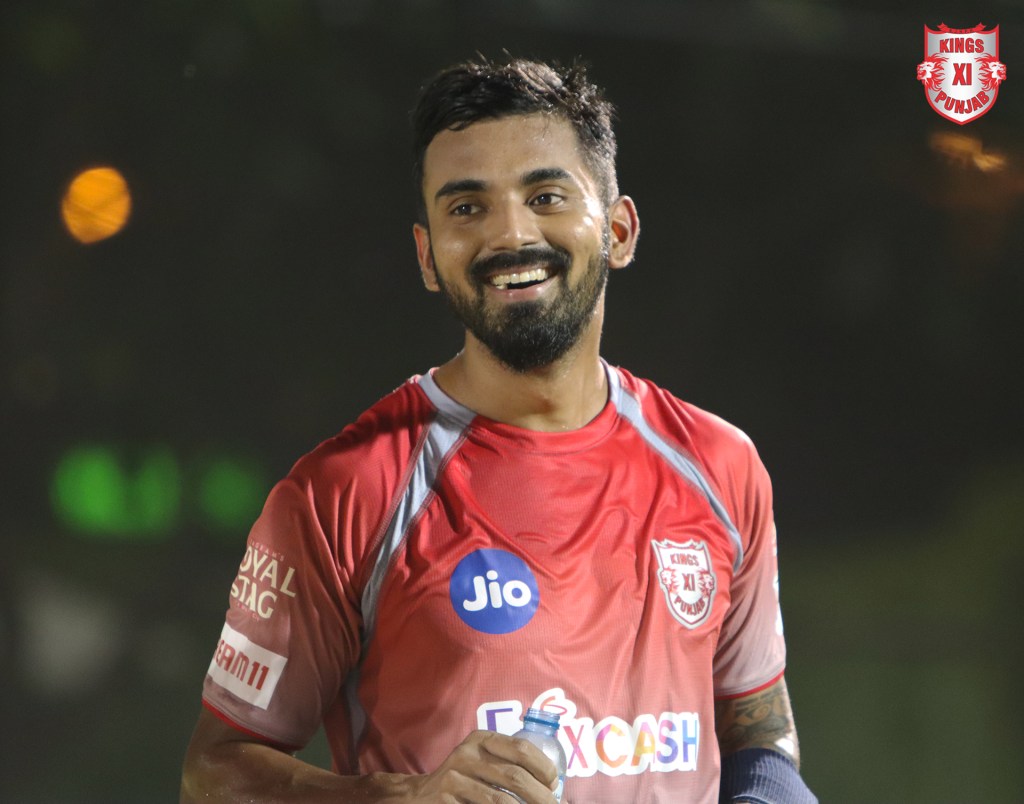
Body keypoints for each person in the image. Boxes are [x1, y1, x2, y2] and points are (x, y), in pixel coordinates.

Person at [180, 56, 817, 804]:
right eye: (466, 207)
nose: (510, 234)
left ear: (618, 230)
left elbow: (758, 727)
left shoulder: (719, 464)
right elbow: (214, 774)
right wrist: (404, 799)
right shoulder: (344, 492)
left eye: (545, 196)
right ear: (428, 256)